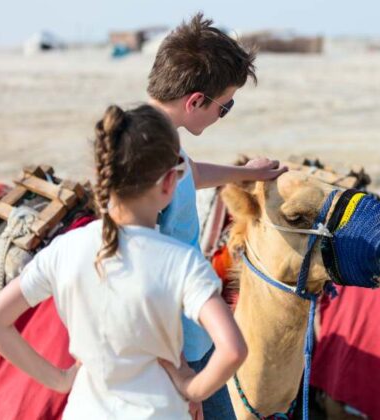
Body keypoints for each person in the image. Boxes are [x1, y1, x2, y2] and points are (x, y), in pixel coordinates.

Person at [0, 104, 247, 419]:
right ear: (170, 182)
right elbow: (233, 350)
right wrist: (192, 387)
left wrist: (61, 380)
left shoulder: (65, 248)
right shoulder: (181, 262)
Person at [146, 12, 287, 419]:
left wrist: (247, 174)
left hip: (193, 337)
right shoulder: (153, 154)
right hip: (179, 349)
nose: (222, 115)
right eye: (224, 107)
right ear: (195, 102)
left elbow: (188, 173)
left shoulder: (156, 136)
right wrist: (180, 371)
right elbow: (145, 264)